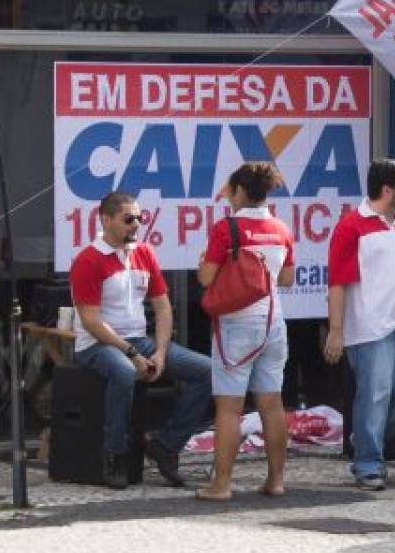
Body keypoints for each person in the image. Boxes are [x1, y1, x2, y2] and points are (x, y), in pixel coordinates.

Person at [70, 191, 214, 490]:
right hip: (97, 344)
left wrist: (160, 352)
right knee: (124, 371)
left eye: (139, 218)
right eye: (128, 219)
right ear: (106, 219)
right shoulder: (88, 259)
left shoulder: (144, 252)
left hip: (139, 339)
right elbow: (91, 321)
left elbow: (162, 307)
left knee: (209, 371)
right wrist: (132, 353)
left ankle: (166, 445)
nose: (136, 224)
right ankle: (115, 454)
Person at [324, 159, 395, 491]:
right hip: (370, 328)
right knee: (375, 395)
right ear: (387, 190)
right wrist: (336, 331)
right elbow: (338, 283)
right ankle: (368, 463)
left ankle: (364, 439)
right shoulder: (351, 226)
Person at [195, 163, 295, 502]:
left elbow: (207, 278)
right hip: (273, 321)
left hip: (236, 324)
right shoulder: (281, 228)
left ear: (239, 191)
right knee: (272, 404)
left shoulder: (226, 229)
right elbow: (286, 279)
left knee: (229, 409)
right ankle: (276, 481)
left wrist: (202, 263)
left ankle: (221, 485)